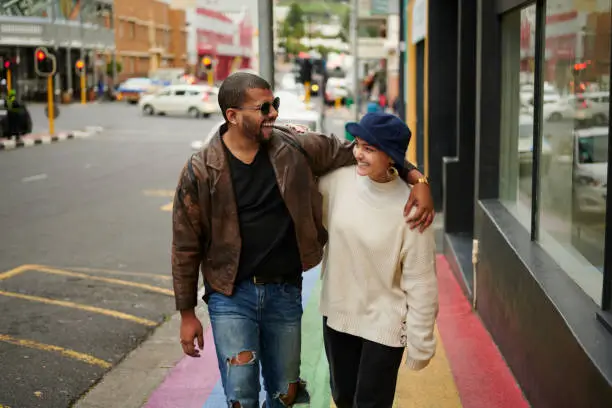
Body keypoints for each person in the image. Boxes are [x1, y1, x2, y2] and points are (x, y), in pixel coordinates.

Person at [171, 72, 435, 408]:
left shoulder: (294, 147)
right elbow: (184, 245)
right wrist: (186, 313)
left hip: (284, 290)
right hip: (231, 294)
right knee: (241, 393)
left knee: (285, 393)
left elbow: (371, 151)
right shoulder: (201, 169)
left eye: (275, 104)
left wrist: (417, 178)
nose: (274, 113)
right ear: (232, 116)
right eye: (263, 107)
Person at [318, 113, 438, 408]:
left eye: (369, 149)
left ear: (392, 158)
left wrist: (421, 341)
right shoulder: (336, 183)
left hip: (385, 323)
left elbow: (421, 281)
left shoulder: (412, 207)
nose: (358, 153)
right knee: (343, 397)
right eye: (358, 144)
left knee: (371, 403)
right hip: (338, 315)